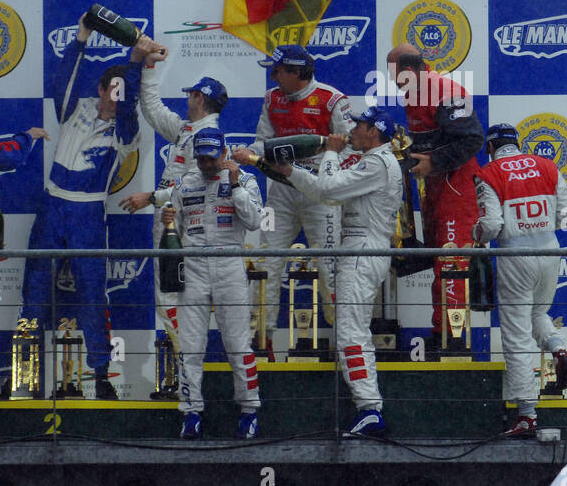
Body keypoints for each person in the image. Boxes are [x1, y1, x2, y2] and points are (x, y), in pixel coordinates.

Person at [18, 16, 162, 399]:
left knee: (93, 293)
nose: (115, 99)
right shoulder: (75, 106)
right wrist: (81, 33)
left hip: (87, 214)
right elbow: (61, 79)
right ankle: (24, 375)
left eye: (121, 93)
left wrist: (135, 63)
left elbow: (131, 107)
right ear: (100, 88)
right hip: (52, 206)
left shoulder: (125, 130)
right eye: (110, 91)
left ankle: (100, 376)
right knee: (34, 289)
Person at [274, 106, 402, 437]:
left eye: (359, 125)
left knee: (350, 334)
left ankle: (370, 409)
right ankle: (369, 408)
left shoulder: (376, 163)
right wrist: (288, 171)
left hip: (362, 252)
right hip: (362, 250)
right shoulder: (374, 162)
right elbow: (321, 193)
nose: (351, 130)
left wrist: (330, 152)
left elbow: (328, 190)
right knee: (352, 332)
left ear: (374, 131)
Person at [120, 66, 228, 389]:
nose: (187, 99)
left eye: (191, 94)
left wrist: (151, 197)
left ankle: (190, 377)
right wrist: (149, 67)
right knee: (170, 302)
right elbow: (152, 108)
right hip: (172, 227)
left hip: (183, 230)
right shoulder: (186, 129)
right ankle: (188, 375)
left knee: (173, 302)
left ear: (200, 98)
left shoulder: (209, 137)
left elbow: (195, 184)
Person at [236, 43, 352, 343]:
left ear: (297, 71)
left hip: (319, 193)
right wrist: (248, 151)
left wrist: (329, 173)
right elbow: (263, 141)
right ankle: (262, 340)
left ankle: (344, 339)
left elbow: (350, 148)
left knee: (329, 264)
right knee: (266, 259)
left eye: (278, 71)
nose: (273, 76)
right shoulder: (272, 98)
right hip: (281, 194)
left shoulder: (331, 100)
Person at [473, 123, 567, 437]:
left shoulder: (489, 172)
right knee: (537, 314)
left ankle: (527, 415)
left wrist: (475, 234)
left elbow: (491, 225)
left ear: (490, 147)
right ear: (516, 143)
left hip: (515, 254)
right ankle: (557, 348)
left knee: (516, 336)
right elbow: (566, 214)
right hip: (550, 249)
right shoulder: (548, 165)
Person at [162, 128, 263, 440]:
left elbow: (254, 221)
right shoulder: (184, 183)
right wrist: (168, 218)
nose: (206, 164)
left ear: (224, 153)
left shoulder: (244, 180)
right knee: (190, 345)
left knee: (237, 344)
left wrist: (235, 189)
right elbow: (173, 230)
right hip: (192, 265)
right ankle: (190, 413)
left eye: (212, 157)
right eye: (201, 157)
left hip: (229, 262)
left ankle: (249, 411)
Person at [385, 43, 483, 351]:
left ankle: (452, 341)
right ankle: (440, 333)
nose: (394, 83)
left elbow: (473, 138)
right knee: (439, 263)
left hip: (456, 186)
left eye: (396, 76)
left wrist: (434, 163)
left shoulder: (445, 90)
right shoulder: (415, 93)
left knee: (451, 263)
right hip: (436, 187)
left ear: (411, 71)